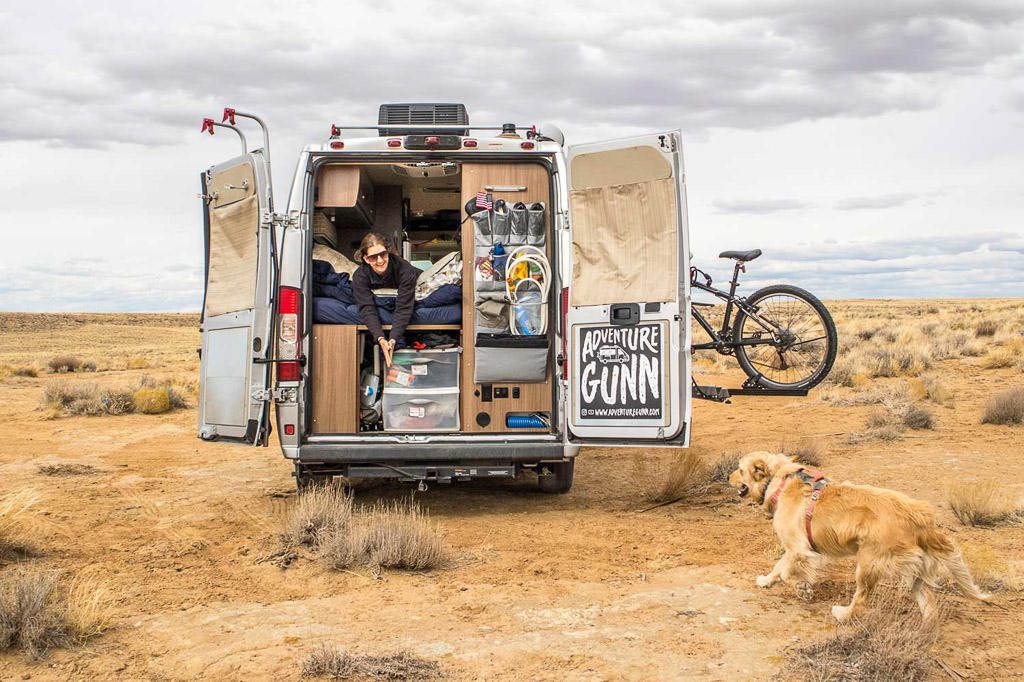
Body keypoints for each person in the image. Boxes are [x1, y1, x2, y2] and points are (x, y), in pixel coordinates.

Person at [352, 232, 420, 366]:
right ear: (365, 259)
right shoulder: (360, 276)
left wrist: (394, 338)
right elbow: (366, 307)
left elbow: (404, 306)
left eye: (382, 254)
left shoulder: (405, 269)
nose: (380, 261)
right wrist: (380, 338)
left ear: (388, 252)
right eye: (373, 257)